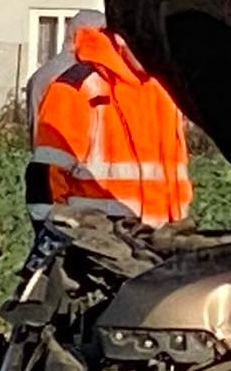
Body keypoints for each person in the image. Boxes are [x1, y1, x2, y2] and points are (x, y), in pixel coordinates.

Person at [28, 11, 194, 227]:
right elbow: (46, 177)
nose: (156, 52)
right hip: (102, 242)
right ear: (121, 39)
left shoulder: (165, 90)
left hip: (167, 237)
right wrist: (58, 232)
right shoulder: (77, 88)